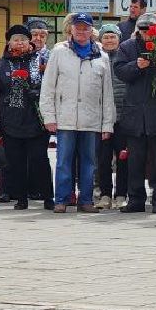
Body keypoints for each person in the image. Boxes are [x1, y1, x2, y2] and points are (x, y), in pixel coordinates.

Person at [40, 12, 115, 214]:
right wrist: (49, 116)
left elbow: (107, 93)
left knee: (89, 163)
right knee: (63, 161)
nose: (81, 31)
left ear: (91, 31)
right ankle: (61, 199)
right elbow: (48, 87)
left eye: (85, 28)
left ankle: (86, 200)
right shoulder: (59, 52)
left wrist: (107, 124)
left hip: (91, 119)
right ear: (71, 29)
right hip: (65, 118)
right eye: (78, 27)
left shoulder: (101, 56)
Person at [112, 12, 156, 213]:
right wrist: (136, 66)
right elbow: (120, 72)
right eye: (144, 30)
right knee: (135, 160)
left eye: (151, 30)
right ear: (138, 31)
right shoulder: (127, 47)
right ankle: (135, 200)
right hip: (134, 114)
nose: (148, 34)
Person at [0, 25, 52, 211]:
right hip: (11, 120)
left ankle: (48, 196)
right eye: (16, 39)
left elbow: (52, 85)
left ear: (29, 42)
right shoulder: (0, 64)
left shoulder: (41, 60)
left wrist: (38, 93)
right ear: (9, 42)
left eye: (23, 39)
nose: (20, 43)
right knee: (16, 162)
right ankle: (21, 198)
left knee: (40, 160)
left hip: (37, 120)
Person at [94, 23, 128, 209]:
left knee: (123, 158)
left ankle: (121, 194)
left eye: (112, 36)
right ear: (100, 39)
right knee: (103, 159)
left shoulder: (125, 57)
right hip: (101, 118)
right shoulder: (96, 58)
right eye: (105, 37)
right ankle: (105, 195)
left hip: (123, 116)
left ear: (119, 39)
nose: (109, 40)